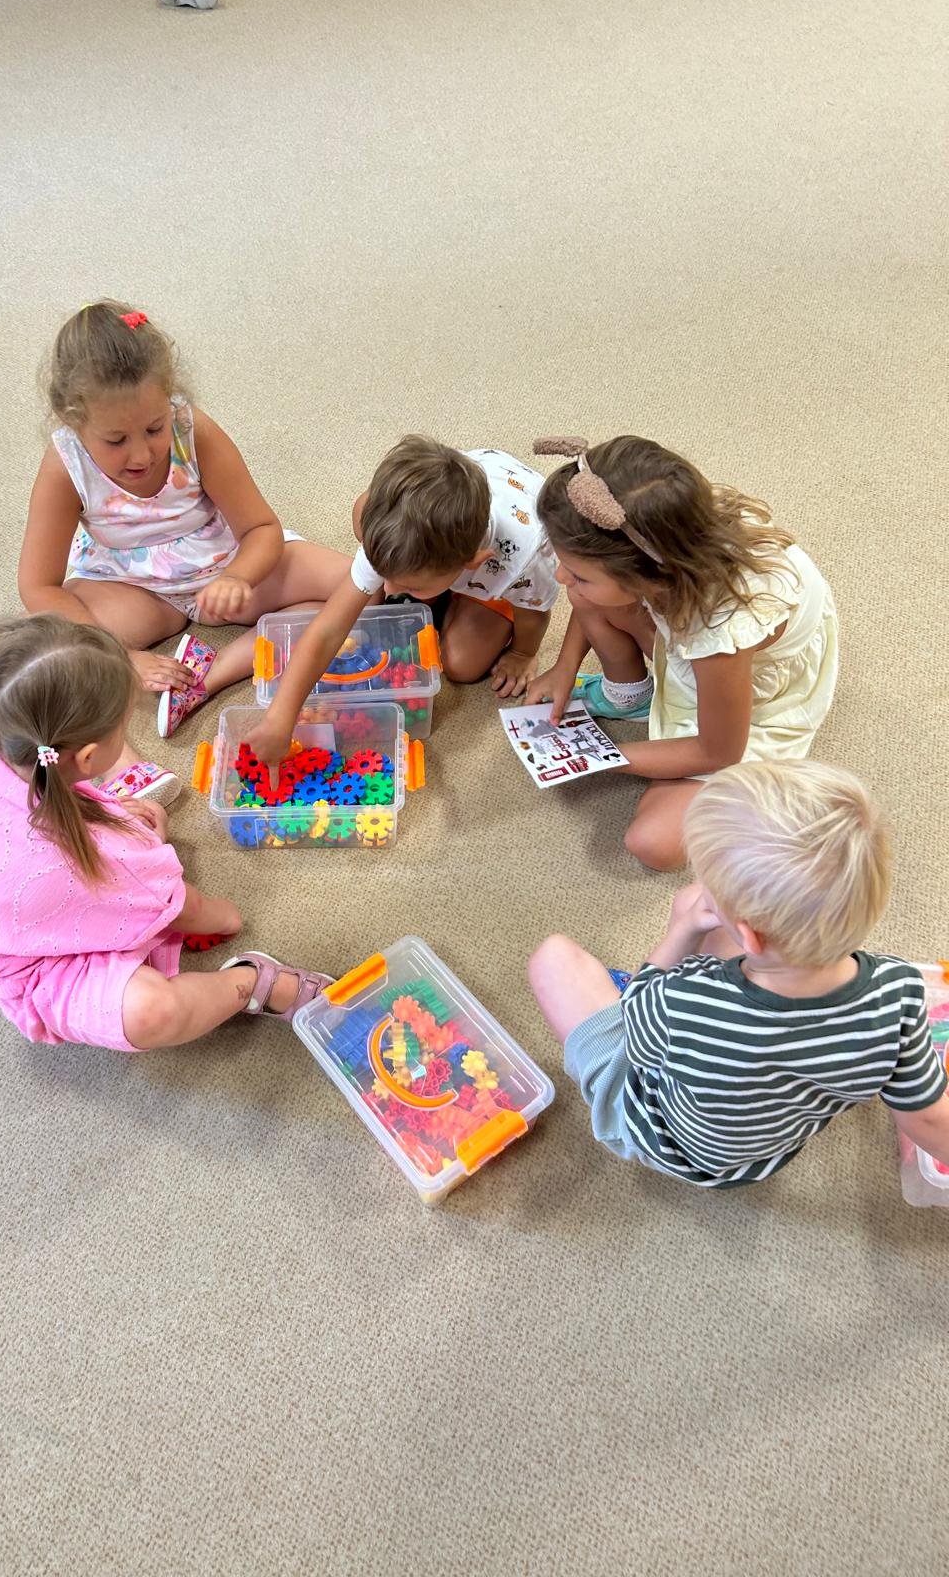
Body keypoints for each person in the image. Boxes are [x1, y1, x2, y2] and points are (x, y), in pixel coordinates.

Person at [527, 760, 949, 1188]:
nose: (703, 891)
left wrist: (681, 932)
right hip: (763, 1154)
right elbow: (929, 1119)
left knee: (552, 958)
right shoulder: (901, 992)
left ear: (748, 936)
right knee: (693, 906)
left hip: (663, 1136)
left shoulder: (683, 1000)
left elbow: (635, 1019)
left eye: (711, 886)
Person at [0, 615, 331, 1052]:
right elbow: (187, 909)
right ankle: (253, 981)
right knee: (154, 1011)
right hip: (32, 971)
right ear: (87, 758)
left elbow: (40, 805)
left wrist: (107, 815)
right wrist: (226, 916)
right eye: (123, 728)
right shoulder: (109, 857)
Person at [17, 301, 348, 742]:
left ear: (169, 399)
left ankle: (211, 674)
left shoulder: (193, 431)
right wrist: (121, 657)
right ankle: (159, 655)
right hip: (132, 586)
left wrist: (238, 577)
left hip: (221, 563)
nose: (141, 454)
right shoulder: (65, 466)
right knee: (52, 650)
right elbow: (39, 586)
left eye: (155, 429)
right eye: (116, 440)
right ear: (72, 421)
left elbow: (261, 530)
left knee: (359, 588)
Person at [525, 435, 838, 870]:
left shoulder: (720, 632)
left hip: (745, 691)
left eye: (577, 572)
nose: (561, 577)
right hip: (688, 622)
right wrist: (564, 665)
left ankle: (748, 800)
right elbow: (592, 586)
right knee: (587, 594)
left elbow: (719, 751)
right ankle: (629, 695)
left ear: (647, 579)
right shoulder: (662, 525)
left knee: (653, 844)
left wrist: (601, 759)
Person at [249, 434, 559, 768]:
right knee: (362, 535)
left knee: (462, 666)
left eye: (408, 584)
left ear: (471, 563)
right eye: (385, 574)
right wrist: (280, 716)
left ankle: (447, 594)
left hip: (506, 549)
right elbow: (327, 630)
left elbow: (534, 612)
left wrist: (522, 653)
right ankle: (431, 589)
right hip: (453, 512)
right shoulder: (389, 534)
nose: (390, 589)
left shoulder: (525, 560)